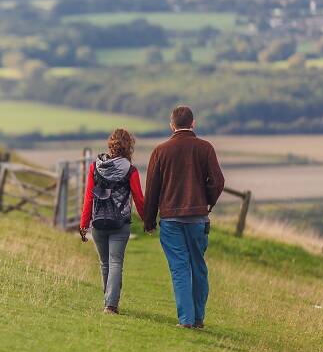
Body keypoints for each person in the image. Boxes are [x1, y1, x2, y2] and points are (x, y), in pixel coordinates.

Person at [143, 106, 225, 329]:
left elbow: (152, 189)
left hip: (170, 219)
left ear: (172, 125)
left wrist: (149, 221)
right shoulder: (205, 148)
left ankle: (186, 320)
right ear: (193, 123)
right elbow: (218, 181)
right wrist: (206, 201)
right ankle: (198, 318)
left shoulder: (160, 151)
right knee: (198, 266)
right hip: (198, 218)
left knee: (179, 268)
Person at [79, 129, 144, 315]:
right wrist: (148, 221)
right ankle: (111, 305)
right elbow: (139, 199)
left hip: (98, 222)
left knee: (105, 263)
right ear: (129, 147)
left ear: (111, 145)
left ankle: (108, 300)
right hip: (120, 223)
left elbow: (88, 198)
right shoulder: (130, 171)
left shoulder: (95, 167)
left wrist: (84, 223)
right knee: (116, 262)